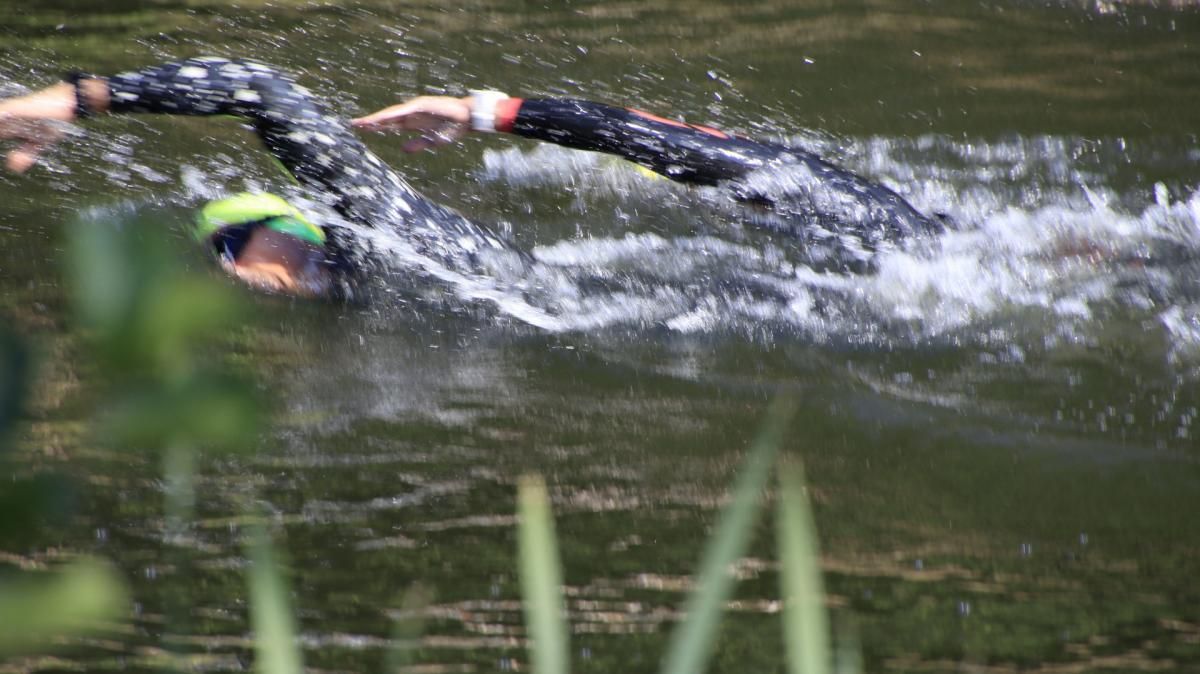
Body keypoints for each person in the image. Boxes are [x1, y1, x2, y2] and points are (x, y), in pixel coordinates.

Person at [0, 57, 939, 301]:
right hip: (493, 289)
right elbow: (681, 151)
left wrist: (491, 110)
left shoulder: (880, 230)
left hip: (493, 286)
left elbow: (676, 147)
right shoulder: (899, 248)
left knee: (261, 101)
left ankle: (59, 107)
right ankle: (277, 254)